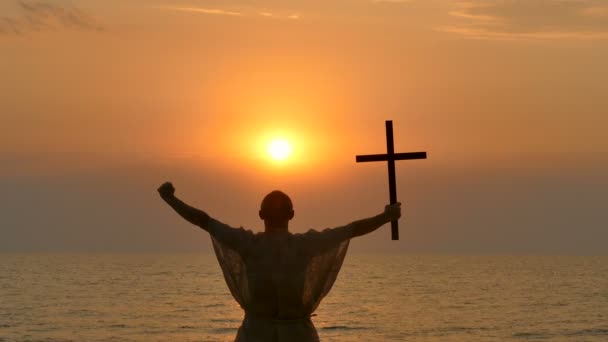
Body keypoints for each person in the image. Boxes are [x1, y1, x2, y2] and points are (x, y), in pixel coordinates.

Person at [158, 182, 401, 342]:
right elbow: (352, 229)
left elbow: (203, 220)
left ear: (261, 215)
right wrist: (386, 216)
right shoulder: (305, 245)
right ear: (292, 214)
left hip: (256, 335)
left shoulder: (247, 244)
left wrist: (169, 198)